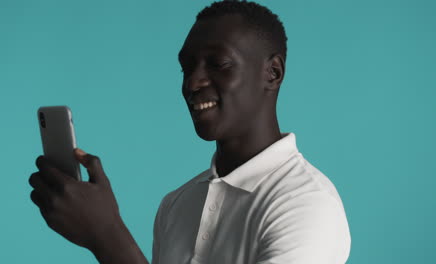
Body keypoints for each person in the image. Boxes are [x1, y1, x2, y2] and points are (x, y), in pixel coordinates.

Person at [29, 1, 351, 263]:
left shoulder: (306, 205)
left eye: (218, 64)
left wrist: (106, 235)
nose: (192, 83)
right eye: (187, 67)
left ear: (273, 73)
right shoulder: (176, 205)